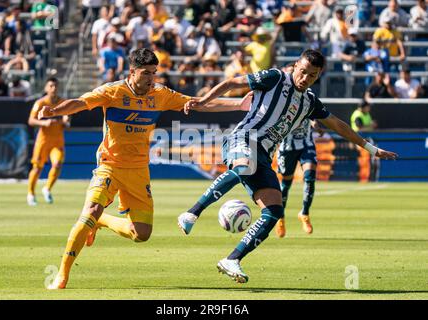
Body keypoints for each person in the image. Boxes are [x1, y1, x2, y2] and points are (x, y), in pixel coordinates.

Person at [178, 49, 398, 283]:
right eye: (303, 72)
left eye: (312, 76)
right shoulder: (275, 77)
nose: (305, 78)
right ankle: (192, 213)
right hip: (242, 139)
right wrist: (203, 100)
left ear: (318, 75)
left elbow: (337, 125)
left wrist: (371, 149)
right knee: (244, 166)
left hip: (264, 155)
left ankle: (232, 259)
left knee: (274, 211)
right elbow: (233, 82)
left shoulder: (310, 101)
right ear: (295, 66)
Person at [39, 48, 251, 289]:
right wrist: (55, 111)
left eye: (154, 73)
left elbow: (198, 105)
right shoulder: (113, 91)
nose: (151, 78)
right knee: (91, 209)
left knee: (141, 233)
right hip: (110, 165)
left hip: (139, 170)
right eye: (146, 73)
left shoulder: (159, 94)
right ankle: (62, 275)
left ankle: (103, 222)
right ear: (132, 72)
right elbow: (81, 102)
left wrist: (239, 104)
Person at [27, 77, 69, 206]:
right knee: (37, 168)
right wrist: (44, 122)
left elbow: (67, 119)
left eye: (55, 86)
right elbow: (31, 121)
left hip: (57, 141)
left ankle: (47, 188)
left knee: (57, 165)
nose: (53, 88)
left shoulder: (63, 102)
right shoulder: (40, 103)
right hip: (43, 141)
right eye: (50, 86)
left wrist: (66, 122)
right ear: (46, 88)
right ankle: (31, 193)